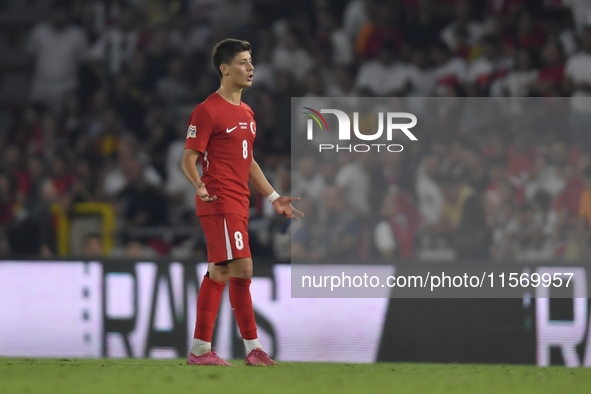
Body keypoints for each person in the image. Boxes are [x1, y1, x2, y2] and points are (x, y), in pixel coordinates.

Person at [180, 39, 303, 366]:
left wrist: (274, 197)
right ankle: (252, 349)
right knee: (242, 268)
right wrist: (200, 185)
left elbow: (246, 161)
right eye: (243, 62)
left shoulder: (247, 113)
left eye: (251, 62)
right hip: (218, 200)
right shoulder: (207, 110)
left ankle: (203, 350)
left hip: (240, 201)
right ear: (224, 69)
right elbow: (188, 159)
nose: (250, 68)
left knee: (220, 271)